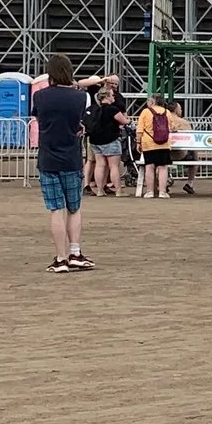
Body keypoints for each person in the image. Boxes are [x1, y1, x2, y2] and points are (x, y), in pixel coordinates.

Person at [32, 54, 93, 272]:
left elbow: (39, 120)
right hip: (72, 157)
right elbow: (83, 123)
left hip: (48, 157)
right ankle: (75, 252)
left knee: (56, 208)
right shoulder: (80, 97)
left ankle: (60, 258)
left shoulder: (39, 96)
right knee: (74, 208)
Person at [85, 81, 126, 198]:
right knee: (113, 166)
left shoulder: (94, 109)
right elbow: (124, 121)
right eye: (112, 95)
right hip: (110, 139)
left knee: (100, 165)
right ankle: (118, 191)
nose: (114, 97)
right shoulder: (112, 109)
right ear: (107, 96)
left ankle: (99, 190)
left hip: (95, 140)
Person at [135, 94, 177, 198]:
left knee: (149, 166)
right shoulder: (167, 112)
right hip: (164, 143)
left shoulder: (145, 112)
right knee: (163, 167)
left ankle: (150, 191)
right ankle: (162, 191)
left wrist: (138, 142)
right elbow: (172, 127)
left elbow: (140, 129)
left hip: (148, 143)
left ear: (152, 102)